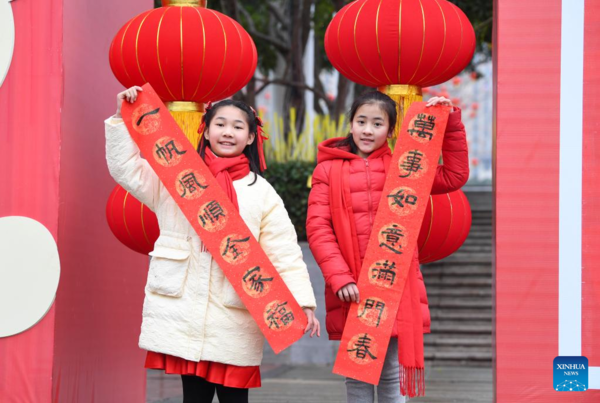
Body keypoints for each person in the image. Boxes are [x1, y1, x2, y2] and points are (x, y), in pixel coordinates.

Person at [105, 86, 320, 403]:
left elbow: (284, 251)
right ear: (205, 130)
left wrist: (303, 302)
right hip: (185, 309)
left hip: (236, 312)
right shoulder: (178, 175)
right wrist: (121, 117)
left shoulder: (261, 192)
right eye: (220, 124)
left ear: (250, 138)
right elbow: (127, 169)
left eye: (237, 126)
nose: (228, 132)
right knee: (194, 398)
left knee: (235, 398)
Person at [306, 91, 469, 403]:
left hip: (394, 284)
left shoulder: (405, 167)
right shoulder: (327, 170)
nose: (368, 130)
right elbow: (318, 227)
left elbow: (454, 175)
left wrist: (450, 124)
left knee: (392, 372)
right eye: (362, 121)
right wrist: (339, 278)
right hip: (352, 286)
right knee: (358, 375)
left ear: (391, 130)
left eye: (377, 123)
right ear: (350, 125)